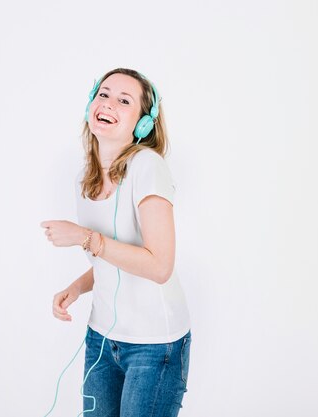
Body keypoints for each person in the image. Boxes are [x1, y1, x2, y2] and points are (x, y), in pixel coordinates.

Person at [41, 68, 191, 417]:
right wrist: (78, 287)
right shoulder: (85, 178)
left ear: (142, 124)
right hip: (101, 338)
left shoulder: (148, 167)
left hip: (154, 347)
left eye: (125, 100)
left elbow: (159, 266)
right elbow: (115, 255)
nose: (108, 103)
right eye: (104, 94)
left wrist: (83, 237)